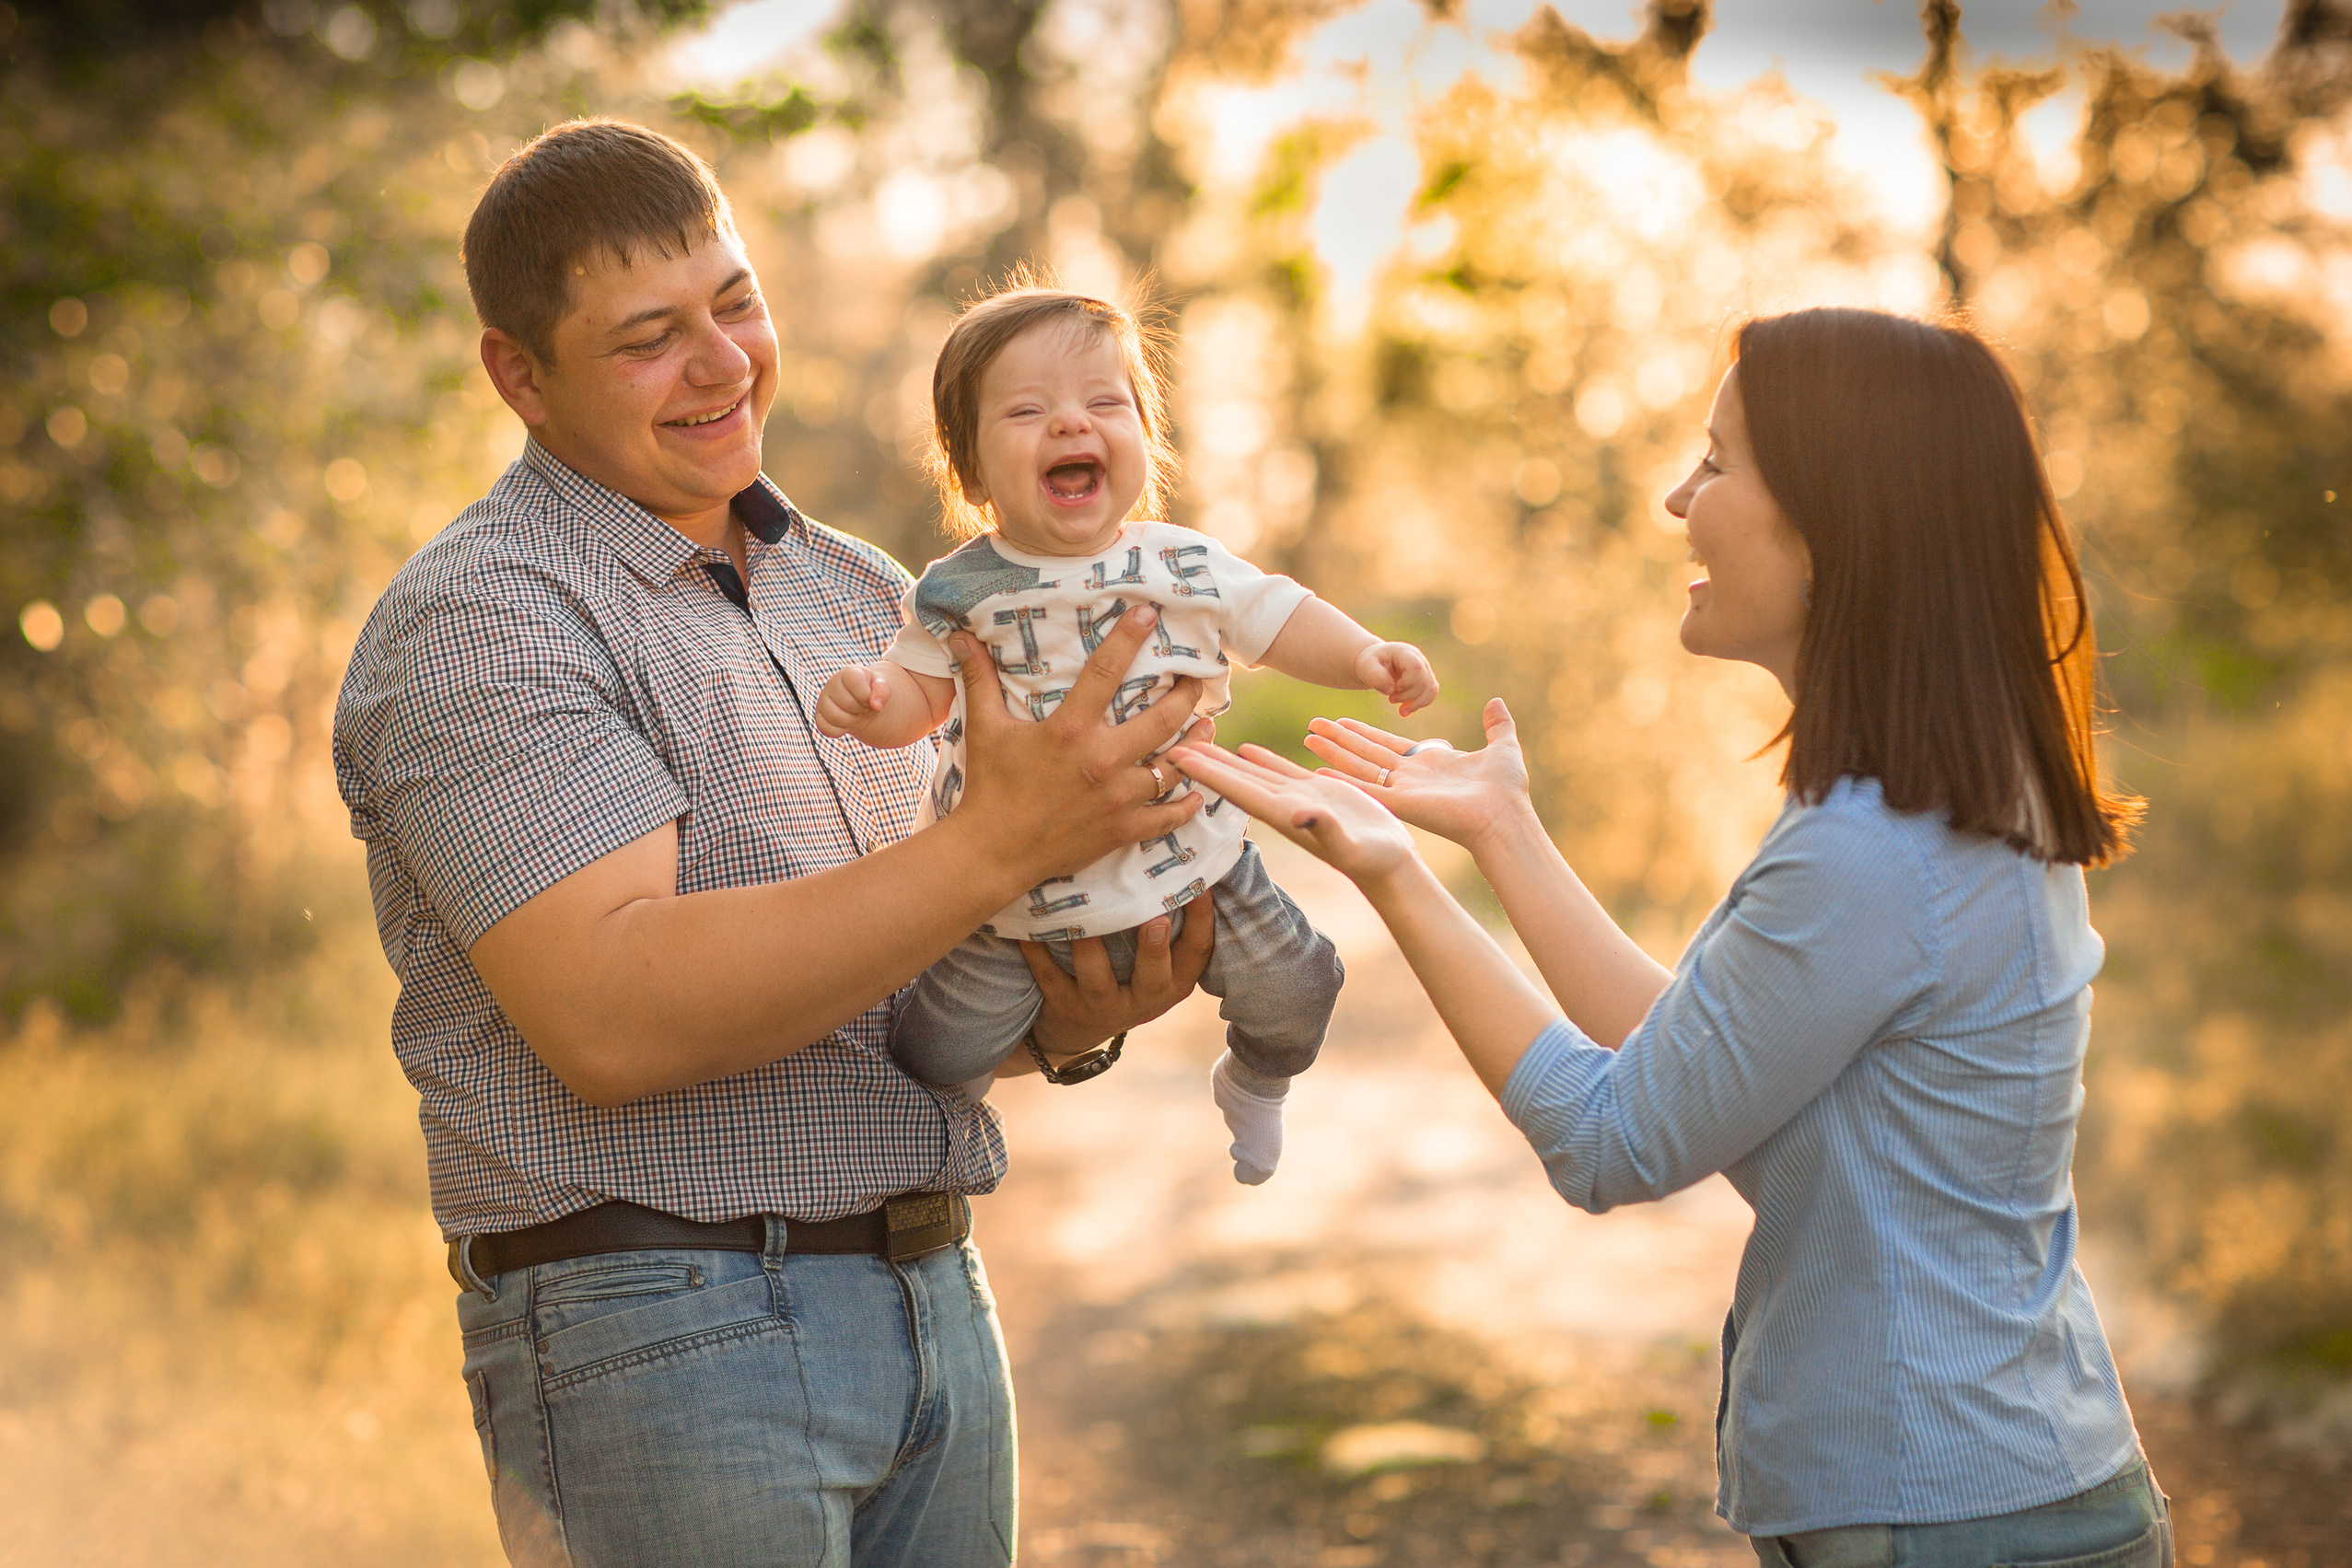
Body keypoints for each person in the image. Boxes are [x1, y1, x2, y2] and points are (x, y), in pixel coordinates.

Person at [332, 118, 1215, 1568]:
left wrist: (1066, 1015)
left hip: (935, 1297)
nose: (724, 362)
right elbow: (610, 1012)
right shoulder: (484, 615)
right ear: (519, 374)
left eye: (735, 301)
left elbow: (892, 992)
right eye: (648, 337)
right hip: (664, 1332)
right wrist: (995, 846)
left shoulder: (867, 594)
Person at [1173, 308, 2174, 1566]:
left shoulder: (1867, 847)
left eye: (1715, 462)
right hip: (1995, 1490)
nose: (1673, 497)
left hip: (1949, 1515)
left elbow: (1612, 1136)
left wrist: (1391, 873)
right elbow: (1692, 1063)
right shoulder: (1932, 802)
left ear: (1831, 522)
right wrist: (1501, 830)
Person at [817, 283, 1435, 1184]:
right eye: (1027, 410)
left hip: (1192, 859)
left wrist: (1366, 654)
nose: (1071, 424)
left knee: (1300, 986)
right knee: (938, 1050)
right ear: (973, 473)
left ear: (1146, 438)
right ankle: (907, 1155)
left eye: (1105, 402)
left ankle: (1257, 1082)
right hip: (1011, 896)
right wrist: (875, 701)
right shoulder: (957, 589)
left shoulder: (1181, 562)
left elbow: (1277, 612)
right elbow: (919, 691)